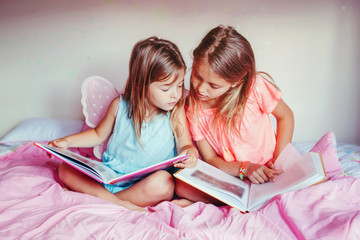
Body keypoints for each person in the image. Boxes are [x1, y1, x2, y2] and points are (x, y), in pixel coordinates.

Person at [49, 37, 198, 212]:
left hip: (144, 185)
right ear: (142, 84)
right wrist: (67, 142)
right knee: (65, 169)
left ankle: (105, 200)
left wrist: (191, 152)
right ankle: (118, 202)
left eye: (180, 86)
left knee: (165, 184)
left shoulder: (175, 110)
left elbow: (185, 144)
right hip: (111, 177)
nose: (175, 94)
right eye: (166, 89)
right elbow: (98, 134)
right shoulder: (119, 105)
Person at [175, 25, 294, 206]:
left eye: (213, 86)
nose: (200, 88)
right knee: (181, 187)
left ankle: (241, 201)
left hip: (270, 173)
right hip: (234, 176)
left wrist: (278, 160)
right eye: (197, 75)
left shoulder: (255, 88)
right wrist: (245, 169)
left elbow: (286, 116)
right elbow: (211, 159)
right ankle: (237, 201)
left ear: (236, 81)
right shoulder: (194, 109)